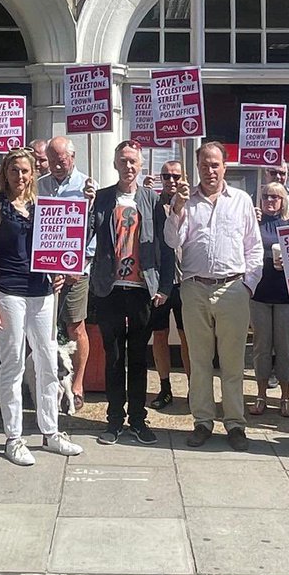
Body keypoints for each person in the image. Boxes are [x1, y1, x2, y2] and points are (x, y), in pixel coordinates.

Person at [0, 147, 84, 466]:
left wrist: (62, 270)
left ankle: (50, 432)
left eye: (25, 171)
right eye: (14, 171)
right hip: (7, 290)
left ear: (33, 173)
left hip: (41, 291)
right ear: (5, 174)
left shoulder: (42, 206)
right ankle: (13, 437)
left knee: (48, 361)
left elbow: (57, 247)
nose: (20, 177)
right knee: (13, 363)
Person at [164, 141, 262, 452]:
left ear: (225, 166)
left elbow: (254, 247)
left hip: (232, 288)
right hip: (195, 288)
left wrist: (249, 286)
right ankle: (202, 421)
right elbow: (171, 241)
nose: (210, 170)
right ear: (197, 167)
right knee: (199, 361)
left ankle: (235, 423)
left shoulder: (241, 200)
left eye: (215, 164)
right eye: (204, 164)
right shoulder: (186, 202)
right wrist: (176, 209)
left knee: (233, 363)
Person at [89, 141, 175, 445]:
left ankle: (138, 419)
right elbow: (85, 234)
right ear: (115, 164)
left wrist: (165, 287)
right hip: (109, 288)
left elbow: (166, 248)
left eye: (133, 162)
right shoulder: (100, 200)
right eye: (123, 161)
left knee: (138, 356)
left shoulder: (152, 201)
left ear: (141, 166)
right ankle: (114, 420)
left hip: (142, 290)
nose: (128, 166)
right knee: (113, 357)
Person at [38, 135, 96, 410]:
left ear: (72, 157)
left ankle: (77, 384)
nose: (57, 165)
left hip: (76, 272)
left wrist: (79, 265)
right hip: (44, 273)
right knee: (42, 329)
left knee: (75, 327)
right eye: (52, 160)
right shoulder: (39, 187)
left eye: (61, 160)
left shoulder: (88, 187)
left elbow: (95, 232)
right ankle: (46, 381)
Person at [250, 181, 289, 418]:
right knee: (261, 347)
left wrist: (288, 265)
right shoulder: (254, 224)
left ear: (283, 200)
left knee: (285, 348)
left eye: (275, 197)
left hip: (286, 296)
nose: (270, 200)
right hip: (259, 293)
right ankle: (260, 395)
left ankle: (285, 396)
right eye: (266, 196)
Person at [149, 160, 189, 410]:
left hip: (187, 281)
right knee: (160, 335)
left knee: (188, 337)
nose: (171, 181)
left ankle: (193, 388)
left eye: (175, 176)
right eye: (166, 176)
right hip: (161, 281)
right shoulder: (153, 203)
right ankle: (164, 388)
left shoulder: (192, 202)